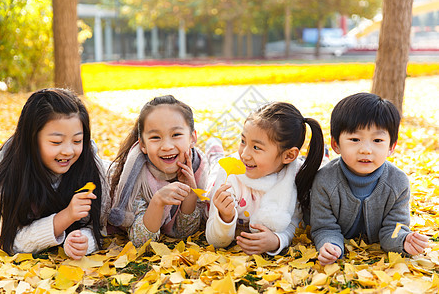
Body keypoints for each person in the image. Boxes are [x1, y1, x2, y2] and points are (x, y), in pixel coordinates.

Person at [0, 88, 110, 260]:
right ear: (31, 140)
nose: (68, 151)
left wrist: (83, 241)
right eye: (56, 142)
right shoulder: (10, 175)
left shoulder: (91, 167)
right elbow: (12, 240)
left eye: (77, 140)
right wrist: (66, 217)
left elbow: (99, 227)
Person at [310, 92, 429, 266]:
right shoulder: (324, 180)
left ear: (391, 147)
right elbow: (324, 226)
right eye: (355, 139)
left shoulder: (398, 182)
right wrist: (330, 245)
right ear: (336, 144)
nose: (366, 149)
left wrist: (403, 241)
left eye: (377, 140)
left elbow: (394, 228)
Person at [205, 102, 325, 255]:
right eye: (243, 141)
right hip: (217, 175)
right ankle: (215, 153)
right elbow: (215, 240)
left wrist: (277, 240)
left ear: (288, 156)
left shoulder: (294, 179)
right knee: (216, 165)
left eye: (256, 147)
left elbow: (295, 222)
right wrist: (225, 218)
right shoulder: (229, 176)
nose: (244, 154)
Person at [108, 95, 209, 247]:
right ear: (142, 144)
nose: (167, 146)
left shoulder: (198, 167)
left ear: (192, 138)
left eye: (176, 135)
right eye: (155, 137)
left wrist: (190, 194)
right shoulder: (137, 176)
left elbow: (186, 231)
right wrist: (158, 201)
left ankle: (215, 150)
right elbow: (141, 241)